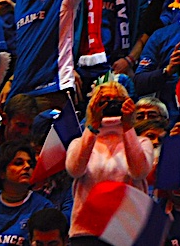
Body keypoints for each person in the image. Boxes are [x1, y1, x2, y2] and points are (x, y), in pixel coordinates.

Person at [65, 79, 153, 227]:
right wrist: (93, 124)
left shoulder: (142, 142)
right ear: (93, 105)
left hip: (129, 226)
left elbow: (139, 173)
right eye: (105, 100)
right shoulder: (78, 143)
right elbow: (75, 170)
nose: (111, 104)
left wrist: (127, 126)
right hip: (88, 226)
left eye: (117, 100)